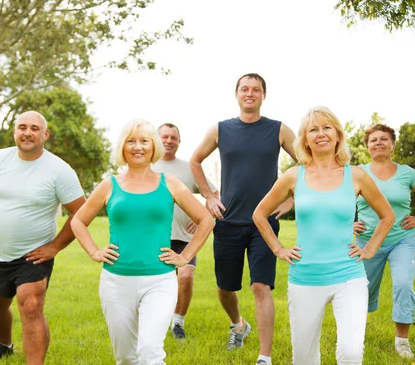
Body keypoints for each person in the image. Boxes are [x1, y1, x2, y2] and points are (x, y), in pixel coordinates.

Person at [253, 107, 394, 365]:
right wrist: (278, 249)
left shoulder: (357, 175)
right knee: (304, 359)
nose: (321, 134)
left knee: (351, 354)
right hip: (305, 276)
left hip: (348, 275)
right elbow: (260, 214)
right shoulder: (294, 176)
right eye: (313, 129)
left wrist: (370, 249)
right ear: (305, 139)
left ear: (338, 135)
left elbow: (387, 215)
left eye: (327, 127)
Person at [71, 119, 214, 365]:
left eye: (144, 141)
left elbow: (206, 219)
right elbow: (78, 221)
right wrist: (94, 251)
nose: (138, 147)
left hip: (159, 281)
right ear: (123, 147)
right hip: (115, 282)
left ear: (153, 146)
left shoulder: (169, 183)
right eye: (131, 141)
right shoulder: (109, 185)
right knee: (126, 358)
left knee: (150, 352)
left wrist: (184, 256)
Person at [189, 73, 296, 365]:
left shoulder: (279, 130)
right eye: (245, 89)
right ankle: (238, 324)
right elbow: (195, 160)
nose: (250, 93)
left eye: (256, 90)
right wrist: (209, 195)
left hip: (264, 224)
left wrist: (291, 199)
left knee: (261, 286)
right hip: (228, 222)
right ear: (236, 94)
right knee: (225, 289)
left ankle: (265, 356)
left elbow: (308, 162)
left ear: (264, 95)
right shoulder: (221, 130)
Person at [0, 111, 86, 364]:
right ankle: (5, 344)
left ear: (45, 134)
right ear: (15, 131)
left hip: (33, 255)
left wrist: (54, 247)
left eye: (34, 128)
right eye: (22, 127)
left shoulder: (59, 170)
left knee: (31, 307)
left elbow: (81, 212)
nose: (27, 133)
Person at [353, 124, 415, 359]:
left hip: (404, 239)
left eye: (384, 139)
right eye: (373, 140)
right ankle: (354, 338)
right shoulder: (358, 172)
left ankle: (402, 341)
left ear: (392, 145)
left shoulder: (407, 173)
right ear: (367, 146)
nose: (378, 142)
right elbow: (340, 202)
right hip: (368, 241)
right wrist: (350, 223)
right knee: (361, 290)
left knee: (402, 284)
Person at [153, 122, 217, 340]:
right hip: (154, 238)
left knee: (186, 276)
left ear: (179, 142)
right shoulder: (147, 167)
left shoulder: (189, 168)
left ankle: (177, 323)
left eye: (173, 137)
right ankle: (153, 322)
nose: (169, 141)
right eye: (165, 137)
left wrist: (201, 220)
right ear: (156, 139)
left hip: (184, 238)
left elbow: (214, 193)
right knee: (155, 283)